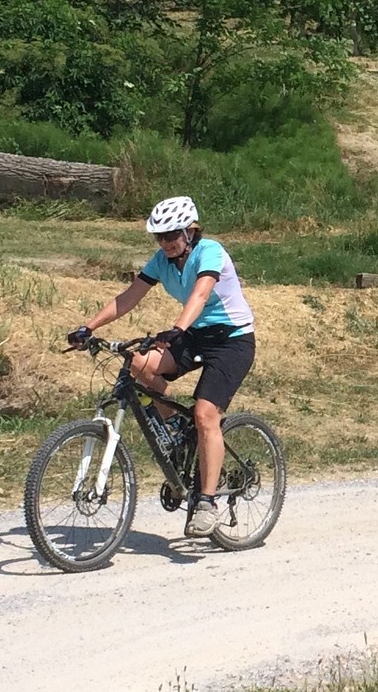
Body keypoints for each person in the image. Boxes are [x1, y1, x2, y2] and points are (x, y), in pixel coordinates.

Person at [68, 196, 256, 538]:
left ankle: (206, 503)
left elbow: (200, 295)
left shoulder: (210, 251)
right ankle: (179, 436)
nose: (166, 242)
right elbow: (128, 297)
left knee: (204, 414)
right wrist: (89, 327)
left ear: (190, 231)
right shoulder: (162, 261)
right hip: (195, 334)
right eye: (160, 237)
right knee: (138, 363)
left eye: (172, 235)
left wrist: (177, 328)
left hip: (232, 341)